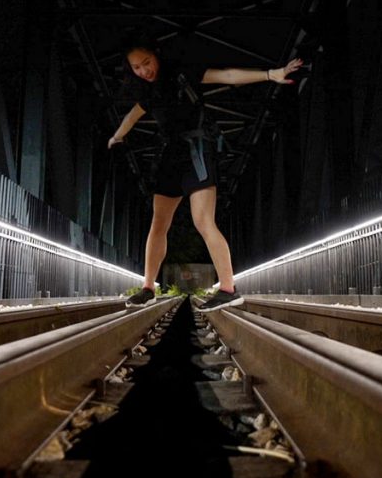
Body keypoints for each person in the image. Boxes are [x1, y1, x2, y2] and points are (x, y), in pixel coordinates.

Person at [109, 34, 303, 311]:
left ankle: (228, 288)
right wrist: (117, 136)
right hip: (169, 156)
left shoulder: (182, 75)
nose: (144, 70)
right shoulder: (147, 92)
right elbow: (133, 115)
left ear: (157, 55)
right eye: (137, 67)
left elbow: (228, 75)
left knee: (203, 221)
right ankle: (147, 288)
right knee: (158, 224)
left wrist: (272, 74)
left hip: (196, 150)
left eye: (147, 62)